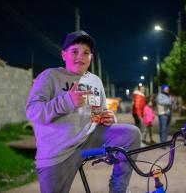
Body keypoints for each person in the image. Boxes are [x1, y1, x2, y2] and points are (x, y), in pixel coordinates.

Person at [25, 30, 141, 193]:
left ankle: (118, 188)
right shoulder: (49, 76)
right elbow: (32, 111)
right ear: (64, 55)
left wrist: (108, 117)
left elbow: (99, 112)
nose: (81, 56)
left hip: (90, 139)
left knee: (131, 135)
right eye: (75, 51)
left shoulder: (95, 80)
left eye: (86, 52)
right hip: (58, 151)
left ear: (91, 57)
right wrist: (67, 101)